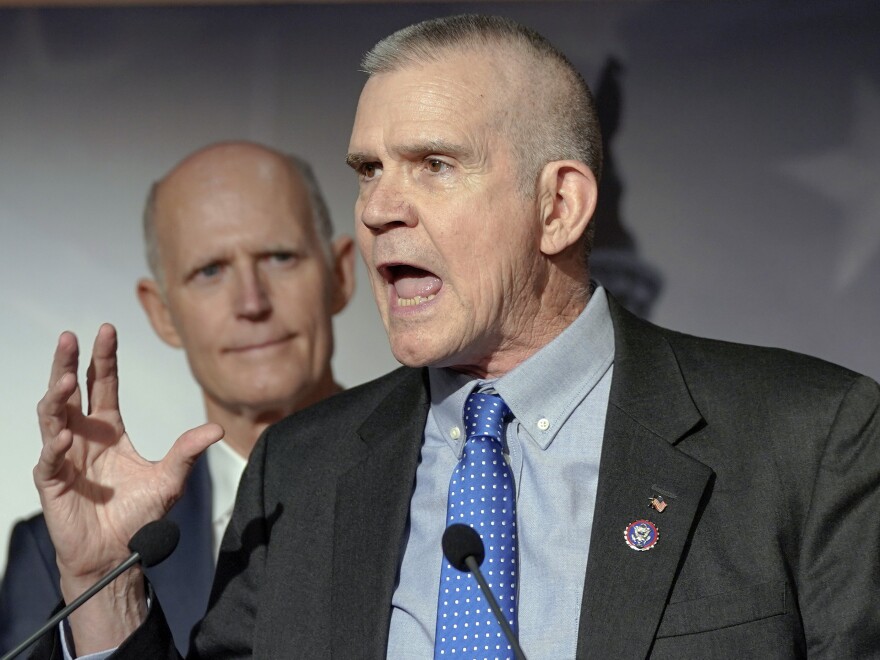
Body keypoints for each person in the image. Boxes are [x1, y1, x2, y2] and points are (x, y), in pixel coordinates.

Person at [32, 15, 880, 659]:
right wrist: (104, 586)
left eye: (433, 164)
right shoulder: (302, 468)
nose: (376, 209)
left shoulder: (811, 440)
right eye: (368, 170)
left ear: (559, 206)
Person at [0, 141, 355, 656]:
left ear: (340, 274)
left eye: (279, 257)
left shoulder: (444, 481)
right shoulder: (62, 553)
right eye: (209, 271)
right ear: (162, 312)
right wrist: (107, 585)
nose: (251, 302)